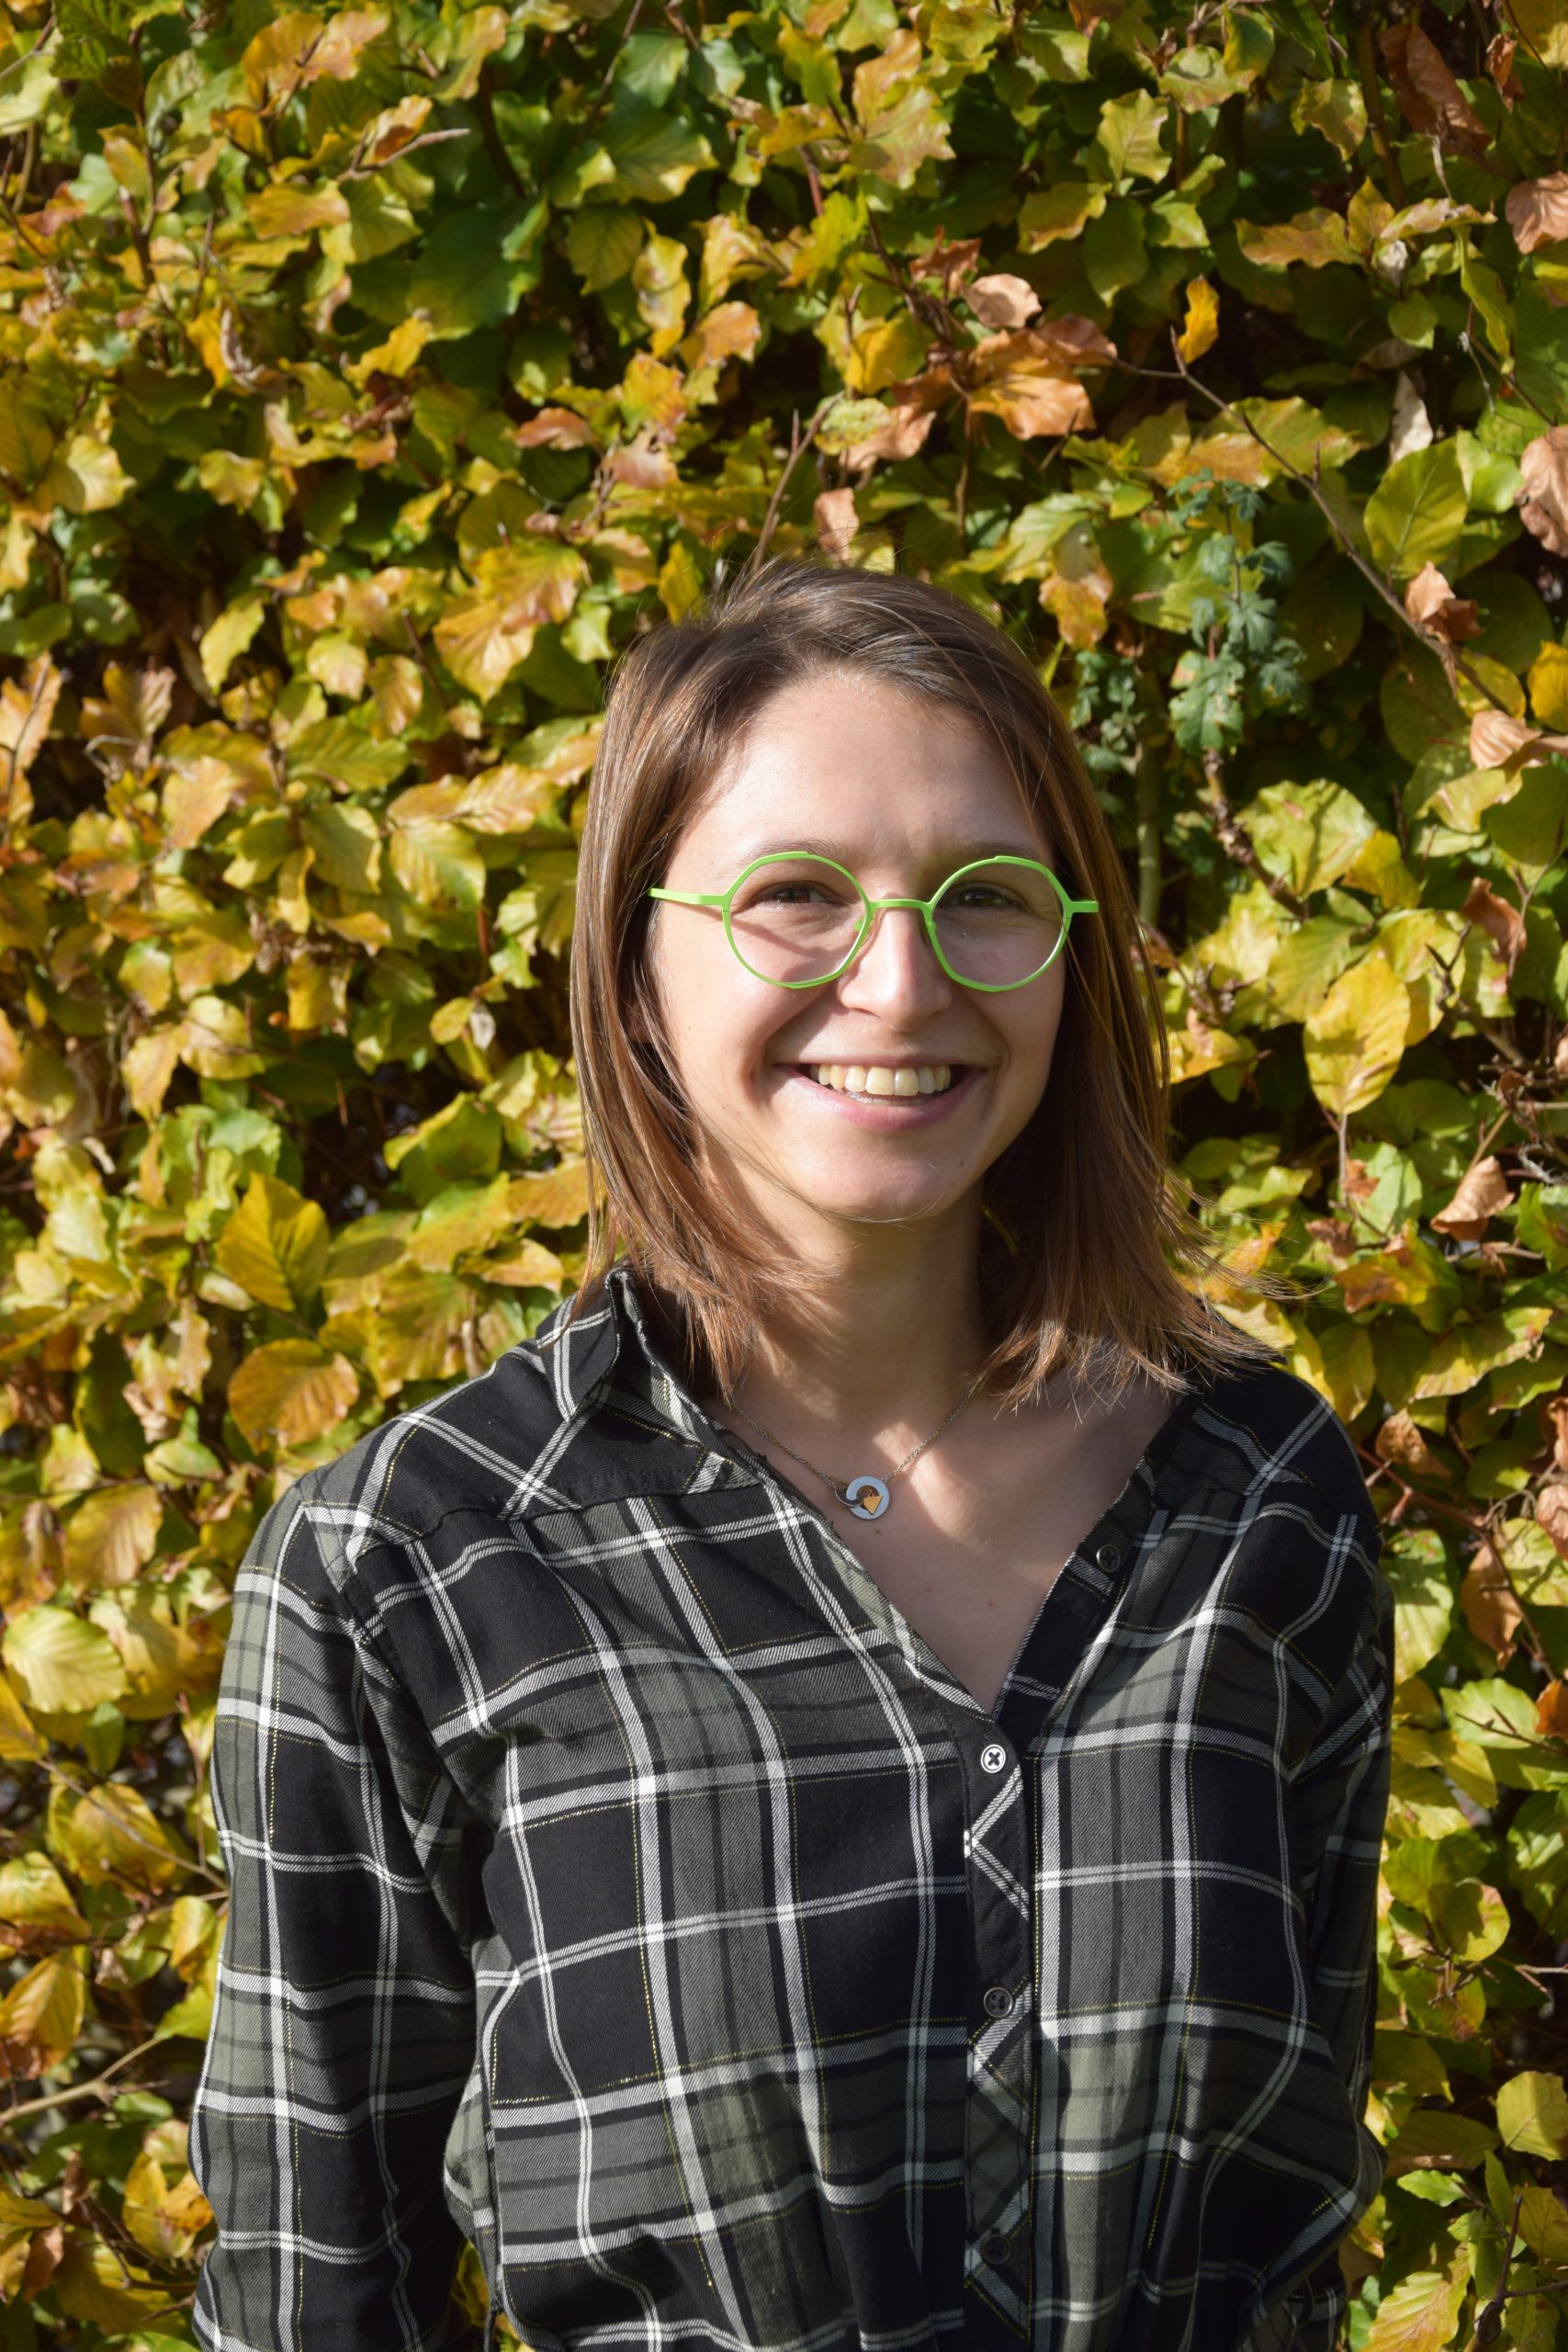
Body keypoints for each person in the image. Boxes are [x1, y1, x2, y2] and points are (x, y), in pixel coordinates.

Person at [190, 560, 1393, 2352]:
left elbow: (1289, 2227)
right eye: (794, 897)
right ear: (634, 966)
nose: (896, 982)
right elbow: (311, 2295)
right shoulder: (412, 1565)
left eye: (984, 896)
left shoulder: (1255, 1493)